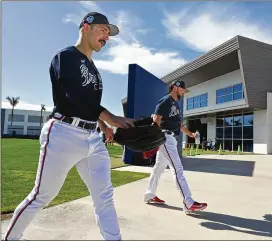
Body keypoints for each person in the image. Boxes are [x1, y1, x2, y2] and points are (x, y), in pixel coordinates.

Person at [3, 12, 134, 241]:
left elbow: (90, 105)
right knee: (42, 195)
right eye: (103, 30)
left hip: (92, 137)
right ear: (86, 27)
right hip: (64, 133)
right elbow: (75, 96)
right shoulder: (66, 57)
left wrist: (104, 126)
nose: (107, 36)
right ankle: (10, 238)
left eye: (108, 33)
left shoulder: (94, 69)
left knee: (104, 196)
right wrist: (111, 117)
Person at [144, 80, 207, 214]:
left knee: (158, 169)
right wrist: (154, 139)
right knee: (177, 168)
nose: (184, 92)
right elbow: (156, 120)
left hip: (171, 138)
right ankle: (188, 202)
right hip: (165, 138)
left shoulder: (176, 105)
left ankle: (149, 194)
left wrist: (190, 134)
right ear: (176, 87)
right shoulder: (165, 101)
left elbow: (179, 124)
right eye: (183, 89)